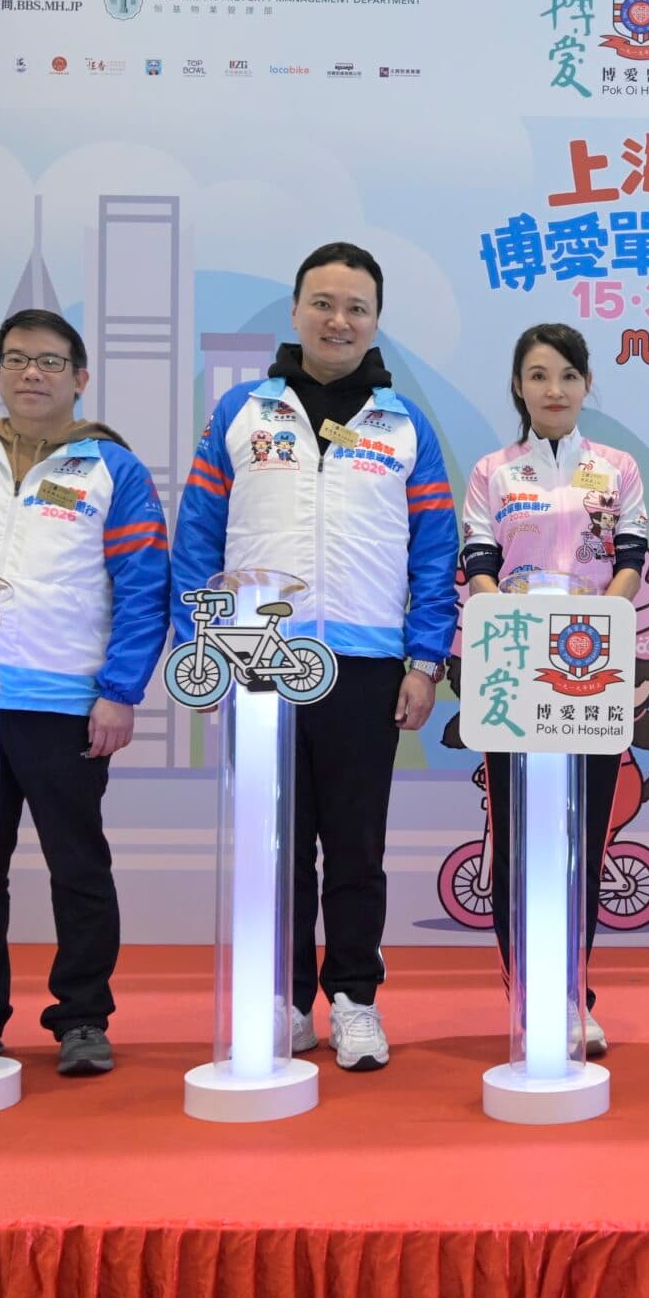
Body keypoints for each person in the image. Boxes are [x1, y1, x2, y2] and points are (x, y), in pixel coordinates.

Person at [171, 242, 459, 1072]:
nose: (339, 320)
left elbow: (434, 552)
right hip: (258, 660)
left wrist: (424, 661)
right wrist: (204, 644)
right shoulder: (241, 413)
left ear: (376, 322)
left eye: (356, 308)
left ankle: (355, 999)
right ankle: (285, 999)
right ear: (296, 310)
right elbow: (197, 537)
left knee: (357, 848)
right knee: (276, 844)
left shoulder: (405, 427)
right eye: (324, 303)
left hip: (368, 664)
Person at [0, 309, 170, 1077]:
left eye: (50, 361)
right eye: (16, 359)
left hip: (67, 705)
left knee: (77, 868)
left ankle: (82, 1017)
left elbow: (143, 586)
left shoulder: (111, 470)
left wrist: (120, 691)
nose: (31, 373)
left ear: (79, 378)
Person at [456, 324, 649, 1054]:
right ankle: (530, 996)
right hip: (513, 665)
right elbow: (478, 561)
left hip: (591, 668)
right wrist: (513, 619)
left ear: (587, 383)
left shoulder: (617, 468)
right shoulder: (493, 472)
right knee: (518, 838)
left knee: (582, 839)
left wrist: (599, 620)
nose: (554, 389)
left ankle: (572, 993)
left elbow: (632, 557)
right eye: (538, 375)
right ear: (518, 386)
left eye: (568, 375)